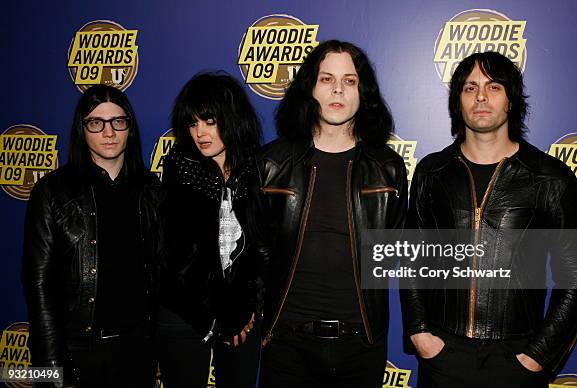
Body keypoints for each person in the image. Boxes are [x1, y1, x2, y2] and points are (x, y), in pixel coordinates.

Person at [400, 51, 577, 387]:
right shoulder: (432, 172)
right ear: (457, 102)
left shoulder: (550, 178)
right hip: (444, 356)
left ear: (511, 99)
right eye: (469, 87)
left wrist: (538, 355)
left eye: (493, 87)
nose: (480, 96)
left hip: (518, 358)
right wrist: (420, 334)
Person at [255, 40, 408, 387]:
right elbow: (256, 249)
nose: (338, 89)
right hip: (287, 345)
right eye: (326, 79)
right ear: (309, 87)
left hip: (361, 345)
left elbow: (395, 251)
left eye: (350, 80)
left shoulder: (388, 168)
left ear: (363, 92)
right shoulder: (270, 164)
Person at [22, 85, 162, 387]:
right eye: (96, 123)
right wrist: (52, 371)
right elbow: (38, 283)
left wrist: (158, 351)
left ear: (130, 129)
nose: (108, 132)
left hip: (137, 353)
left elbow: (161, 276)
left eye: (118, 122)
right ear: (82, 129)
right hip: (75, 353)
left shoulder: (151, 190)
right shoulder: (52, 192)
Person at [155, 72, 262, 388]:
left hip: (241, 314)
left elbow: (260, 249)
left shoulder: (257, 170)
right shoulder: (180, 169)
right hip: (184, 311)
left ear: (231, 119)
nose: (199, 132)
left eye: (210, 120)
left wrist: (248, 309)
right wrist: (222, 314)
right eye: (192, 123)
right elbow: (179, 258)